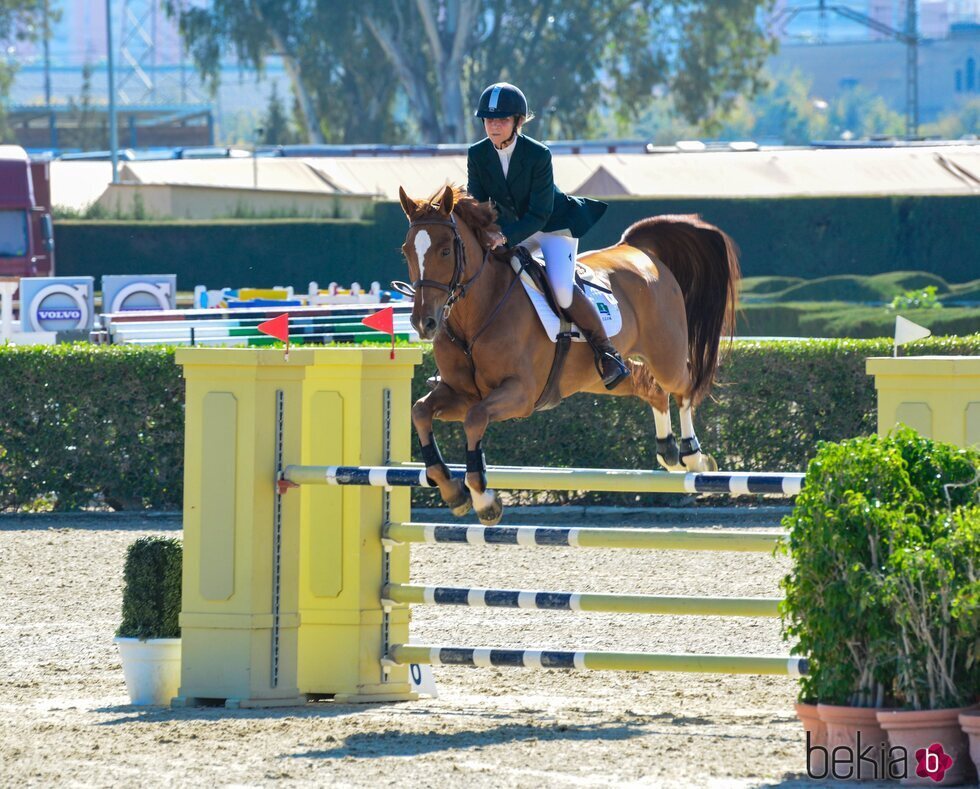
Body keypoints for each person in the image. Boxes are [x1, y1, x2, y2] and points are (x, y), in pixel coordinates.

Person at [466, 82, 630, 390]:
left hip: (552, 227)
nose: (494, 125)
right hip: (513, 230)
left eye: (502, 119)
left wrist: (505, 237)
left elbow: (540, 214)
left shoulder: (538, 154)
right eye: (489, 119)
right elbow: (478, 203)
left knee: (561, 290)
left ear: (519, 122)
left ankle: (607, 352)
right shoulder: (477, 154)